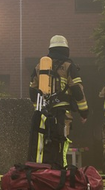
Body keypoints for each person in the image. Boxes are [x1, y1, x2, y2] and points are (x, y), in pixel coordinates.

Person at [28, 35, 90, 168]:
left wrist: (38, 109)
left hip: (43, 112)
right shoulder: (69, 66)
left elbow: (32, 91)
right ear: (66, 50)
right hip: (62, 113)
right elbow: (77, 91)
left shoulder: (40, 66)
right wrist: (84, 112)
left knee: (44, 141)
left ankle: (42, 169)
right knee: (61, 140)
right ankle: (60, 170)